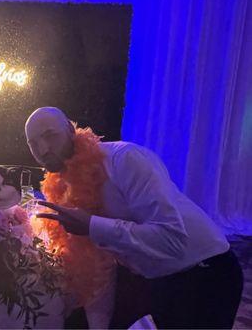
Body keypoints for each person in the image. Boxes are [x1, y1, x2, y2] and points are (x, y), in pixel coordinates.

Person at [25, 106, 243, 329]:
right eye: (33, 144)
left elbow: (173, 239)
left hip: (206, 273)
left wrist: (92, 225)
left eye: (50, 136)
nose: (43, 149)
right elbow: (96, 266)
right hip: (156, 278)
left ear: (71, 130)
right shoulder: (64, 189)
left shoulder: (124, 159)